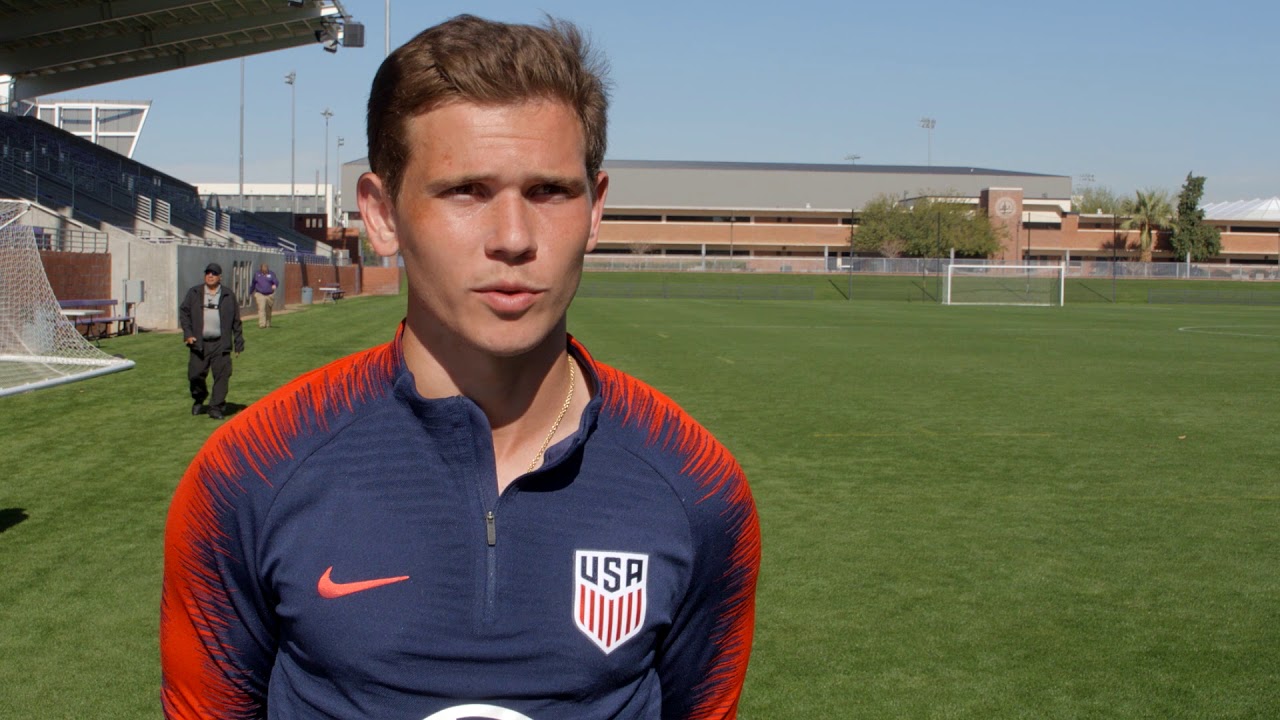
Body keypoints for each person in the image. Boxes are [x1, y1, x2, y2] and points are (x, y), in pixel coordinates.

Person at [161, 14, 759, 720]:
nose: (513, 238)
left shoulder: (697, 488)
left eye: (549, 192)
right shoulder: (249, 474)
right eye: (465, 192)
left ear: (595, 211)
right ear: (382, 215)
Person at [177, 262, 243, 420]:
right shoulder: (194, 293)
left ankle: (216, 407)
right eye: (208, 273)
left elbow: (236, 320)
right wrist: (188, 333)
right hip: (199, 343)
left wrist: (239, 342)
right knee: (195, 375)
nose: (210, 276)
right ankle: (199, 398)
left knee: (222, 375)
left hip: (221, 343)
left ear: (220, 277)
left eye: (214, 273)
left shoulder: (228, 295)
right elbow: (184, 313)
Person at [251, 263, 278, 328]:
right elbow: (253, 284)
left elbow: (276, 281)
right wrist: (250, 292)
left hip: (270, 295)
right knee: (261, 308)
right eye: (264, 270)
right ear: (261, 269)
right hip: (260, 294)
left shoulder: (271, 274)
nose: (265, 272)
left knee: (268, 309)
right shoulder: (257, 274)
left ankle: (268, 323)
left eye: (266, 270)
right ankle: (262, 324)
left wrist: (275, 285)